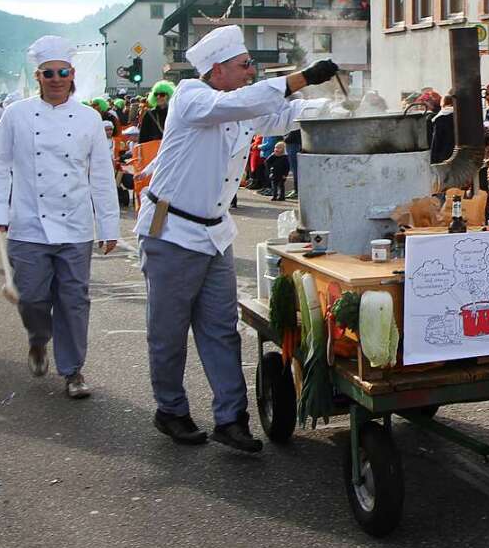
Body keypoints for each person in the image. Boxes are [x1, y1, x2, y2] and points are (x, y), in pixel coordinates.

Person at [133, 24, 337, 452]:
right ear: (218, 69)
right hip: (171, 230)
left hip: (214, 233)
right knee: (168, 331)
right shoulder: (192, 96)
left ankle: (231, 418)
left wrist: (343, 106)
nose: (251, 71)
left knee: (221, 330)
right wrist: (300, 77)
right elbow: (250, 101)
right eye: (244, 65)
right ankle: (170, 409)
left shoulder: (237, 105)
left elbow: (284, 115)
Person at [0, 35, 119, 399]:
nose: (56, 78)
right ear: (38, 75)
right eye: (48, 73)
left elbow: (102, 176)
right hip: (28, 223)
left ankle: (73, 371)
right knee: (32, 298)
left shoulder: (90, 118)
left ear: (72, 75)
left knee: (74, 300)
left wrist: (108, 226)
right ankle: (38, 338)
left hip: (75, 224)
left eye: (63, 72)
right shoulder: (16, 115)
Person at [138, 80, 175, 144]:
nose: (158, 97)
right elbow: (142, 138)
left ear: (169, 96)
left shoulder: (174, 113)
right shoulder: (149, 114)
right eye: (156, 94)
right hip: (153, 150)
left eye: (162, 94)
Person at [429, 94, 455, 164]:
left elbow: (436, 140)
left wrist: (433, 159)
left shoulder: (440, 118)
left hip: (444, 155)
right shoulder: (459, 115)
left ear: (442, 104)